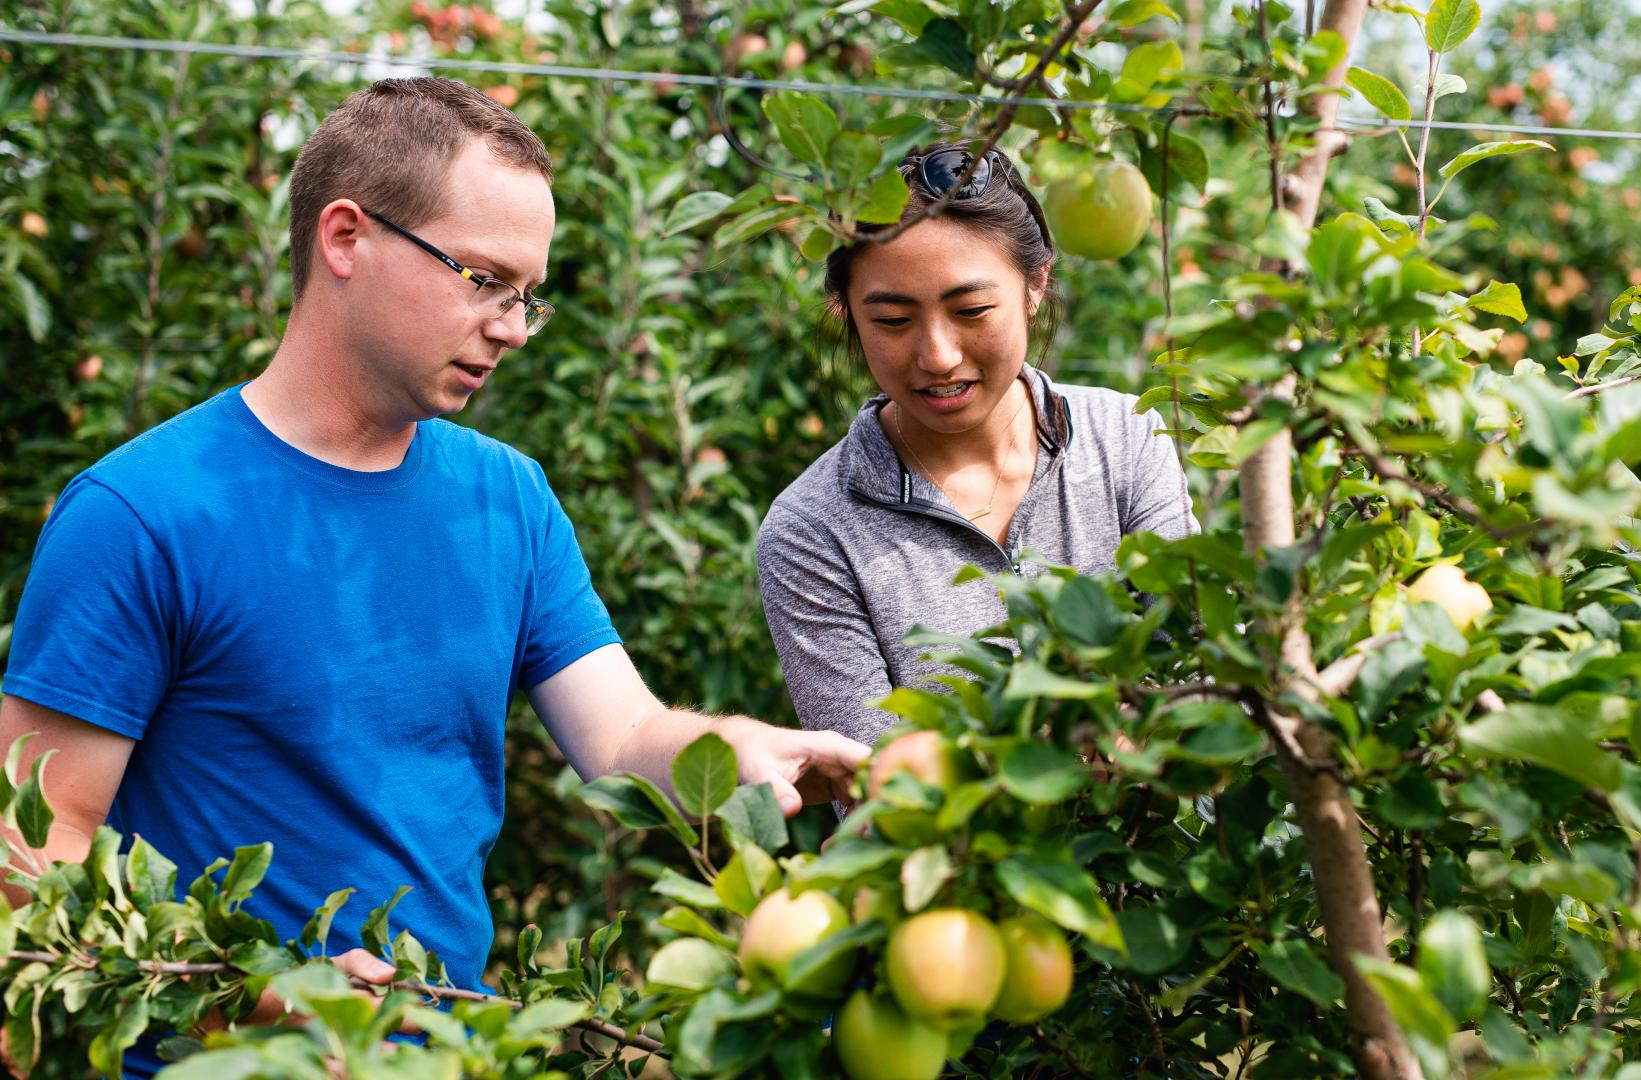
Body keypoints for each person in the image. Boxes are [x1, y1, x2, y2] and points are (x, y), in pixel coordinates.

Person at [0, 77, 867, 1073]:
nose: (513, 326)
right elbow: (36, 839)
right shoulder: (145, 514)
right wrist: (241, 997)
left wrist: (736, 749)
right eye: (483, 279)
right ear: (344, 238)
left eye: (529, 295)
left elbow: (623, 736)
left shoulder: (506, 497)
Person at [757, 143, 1196, 749]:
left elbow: (1201, 682)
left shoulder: (1126, 438)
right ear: (848, 314)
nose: (937, 355)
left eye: (971, 309)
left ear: (1035, 284)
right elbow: (880, 789)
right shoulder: (813, 530)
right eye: (892, 321)